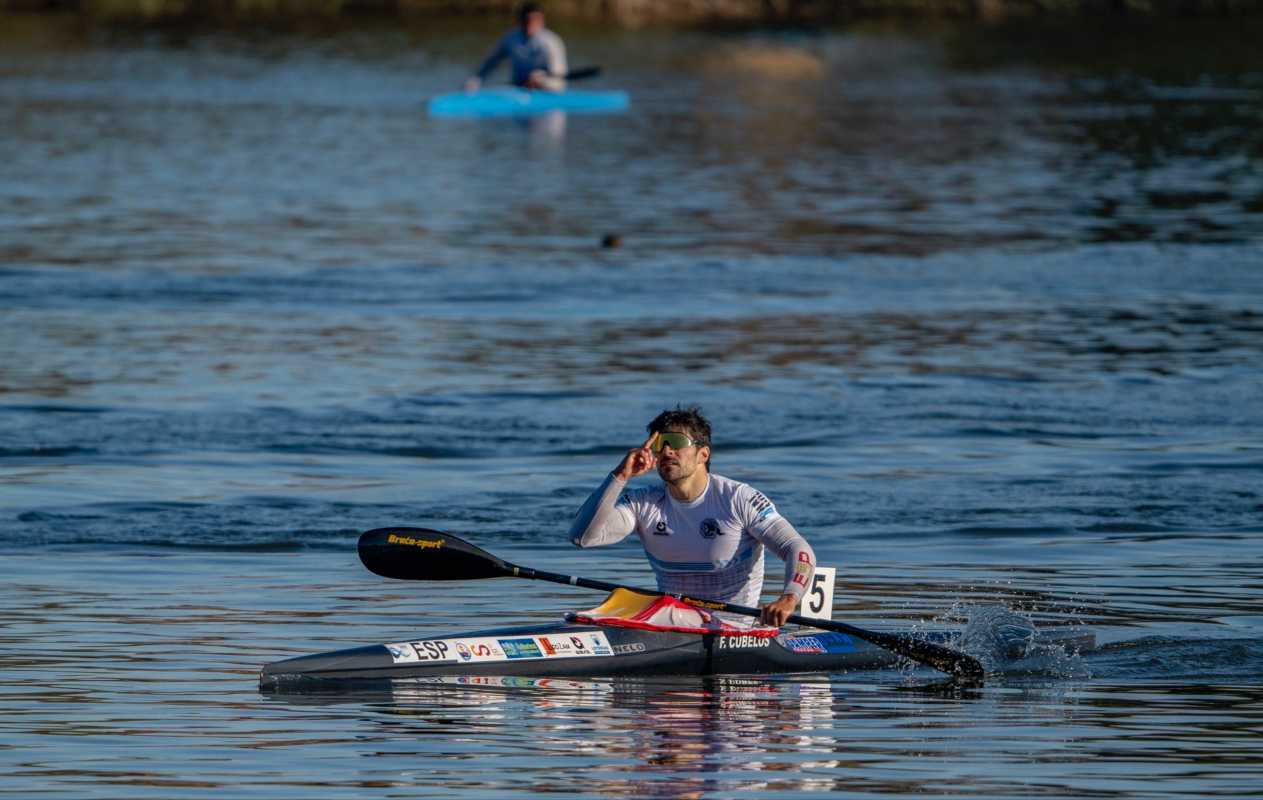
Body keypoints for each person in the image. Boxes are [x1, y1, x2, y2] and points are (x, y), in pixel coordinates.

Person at [569, 406, 816, 627]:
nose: (667, 451)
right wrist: (620, 476)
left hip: (729, 626)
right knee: (620, 600)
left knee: (653, 610)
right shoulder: (643, 502)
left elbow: (797, 548)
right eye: (659, 444)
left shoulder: (738, 498)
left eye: (676, 442)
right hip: (666, 623)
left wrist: (789, 599)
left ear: (703, 454)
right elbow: (583, 537)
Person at [465, 3, 568, 93]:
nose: (530, 23)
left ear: (542, 21)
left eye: (534, 19)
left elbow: (559, 75)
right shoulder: (510, 39)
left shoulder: (551, 42)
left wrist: (541, 79)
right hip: (518, 88)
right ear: (520, 19)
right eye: (526, 19)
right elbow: (490, 63)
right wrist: (475, 80)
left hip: (547, 89)